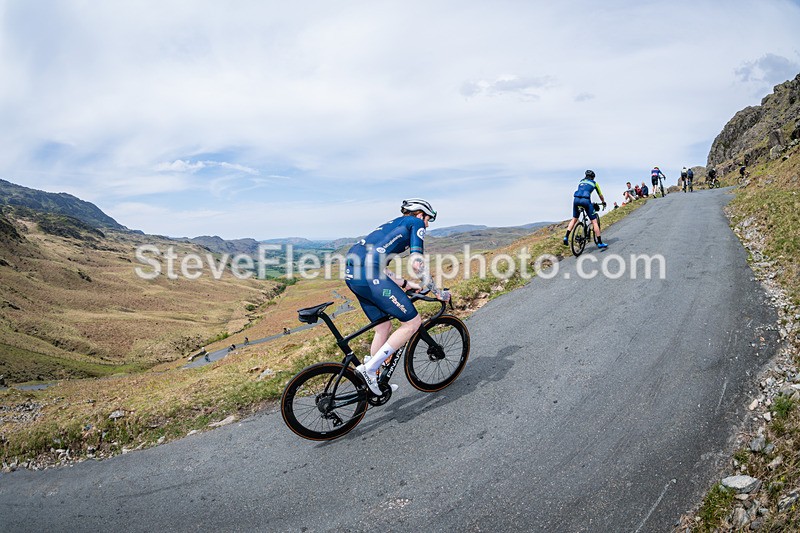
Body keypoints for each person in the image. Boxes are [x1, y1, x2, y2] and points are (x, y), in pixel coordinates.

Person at [345, 198, 448, 396]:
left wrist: (405, 284)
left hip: (353, 276)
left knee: (383, 327)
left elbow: (376, 262)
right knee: (412, 323)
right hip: (371, 276)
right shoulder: (416, 224)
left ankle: (372, 377)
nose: (426, 224)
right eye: (428, 219)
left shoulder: (391, 225)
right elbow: (417, 264)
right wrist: (438, 292)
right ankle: (370, 369)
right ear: (420, 214)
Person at [563, 170, 608, 249]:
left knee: (574, 219)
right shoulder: (594, 183)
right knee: (594, 222)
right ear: (593, 177)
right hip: (585, 201)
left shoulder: (581, 181)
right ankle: (600, 243)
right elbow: (600, 195)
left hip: (576, 200)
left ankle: (566, 236)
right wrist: (603, 202)